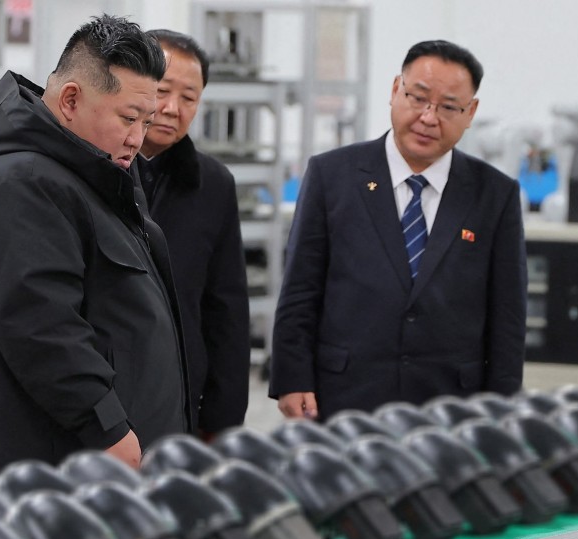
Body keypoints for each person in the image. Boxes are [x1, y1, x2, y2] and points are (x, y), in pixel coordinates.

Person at [0, 14, 191, 479]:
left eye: (146, 121)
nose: (137, 138)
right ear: (71, 99)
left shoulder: (92, 169)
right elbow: (39, 326)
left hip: (104, 461)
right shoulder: (19, 182)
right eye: (128, 118)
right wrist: (111, 429)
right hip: (57, 468)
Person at [269, 40, 526, 421]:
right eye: (418, 97)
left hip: (452, 407)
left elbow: (508, 316)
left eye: (448, 107)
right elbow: (301, 287)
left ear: (470, 113)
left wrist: (502, 409)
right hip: (343, 396)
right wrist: (291, 377)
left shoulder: (495, 194)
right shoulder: (332, 175)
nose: (428, 117)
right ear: (394, 90)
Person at [137, 29, 250, 440]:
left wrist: (222, 420)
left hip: (177, 395)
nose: (172, 109)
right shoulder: (85, 169)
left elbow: (227, 308)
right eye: (162, 91)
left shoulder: (213, 184)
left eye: (189, 97)